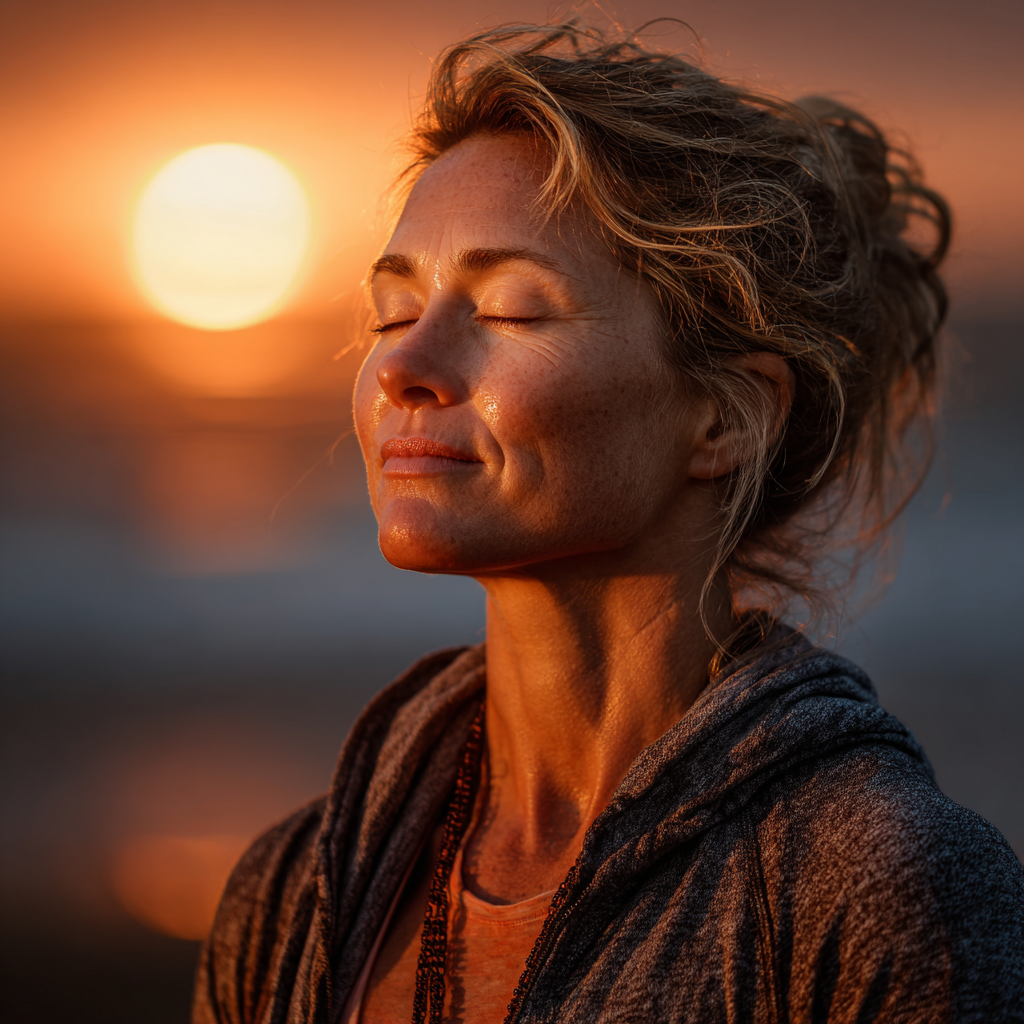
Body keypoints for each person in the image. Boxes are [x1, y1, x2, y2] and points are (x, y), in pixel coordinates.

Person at [193, 22, 1024, 1024]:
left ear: (722, 415)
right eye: (390, 312)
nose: (405, 366)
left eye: (509, 311)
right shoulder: (292, 896)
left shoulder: (881, 889)